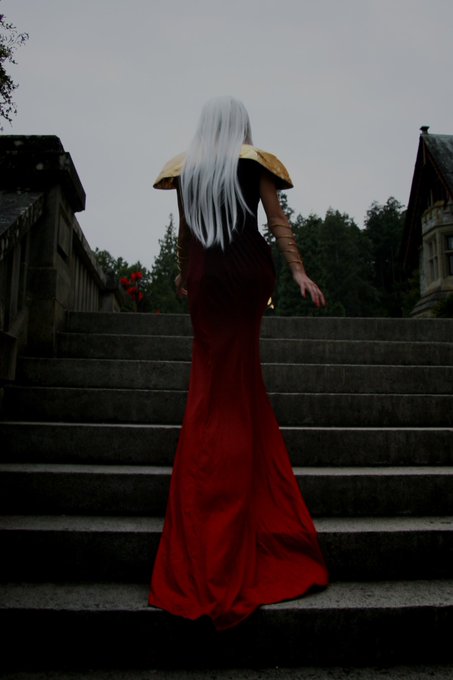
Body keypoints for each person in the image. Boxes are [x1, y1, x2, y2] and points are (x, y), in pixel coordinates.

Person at [148, 96, 328, 631]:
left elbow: (187, 234)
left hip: (208, 277)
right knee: (241, 382)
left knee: (211, 386)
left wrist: (184, 275)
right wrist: (297, 272)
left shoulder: (188, 172)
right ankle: (245, 490)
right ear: (240, 126)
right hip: (248, 274)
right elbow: (277, 221)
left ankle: (210, 494)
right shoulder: (254, 164)